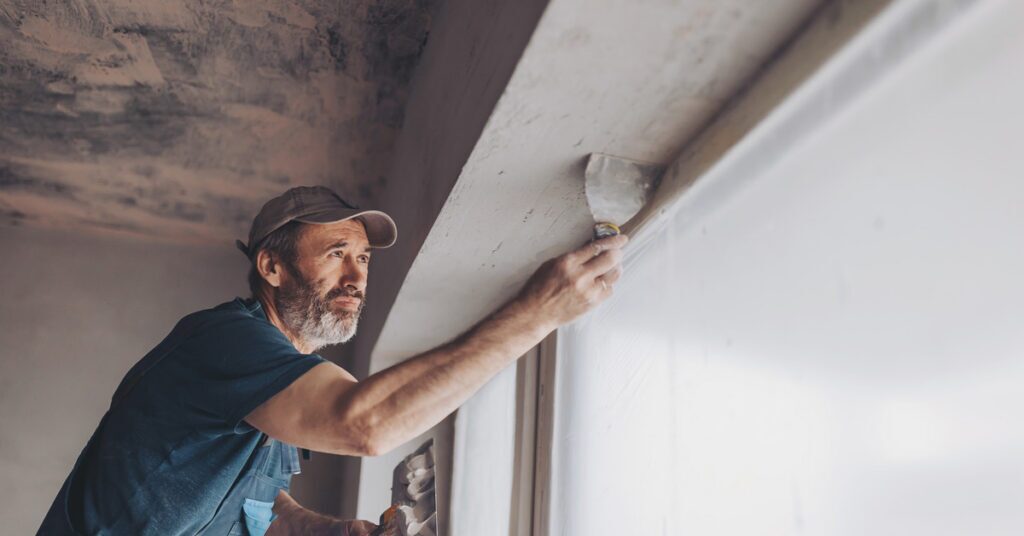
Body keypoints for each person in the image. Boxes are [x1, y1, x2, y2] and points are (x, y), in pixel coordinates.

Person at [38, 186, 626, 535]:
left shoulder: (281, 381)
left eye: (365, 259)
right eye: (337, 254)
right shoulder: (223, 341)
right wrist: (538, 313)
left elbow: (260, 510)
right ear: (271, 268)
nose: (356, 278)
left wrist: (332, 532)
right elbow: (364, 423)